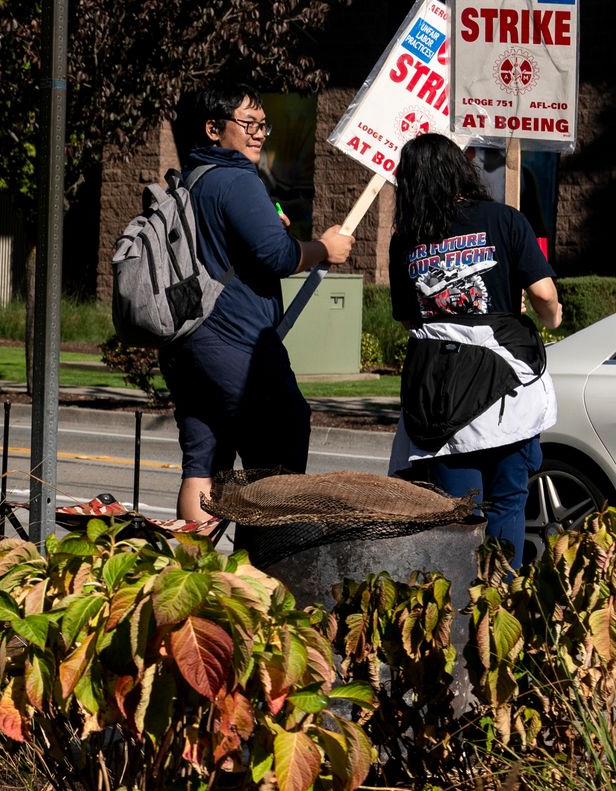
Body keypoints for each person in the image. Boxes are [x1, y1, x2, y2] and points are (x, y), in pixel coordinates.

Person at [163, 82, 354, 524]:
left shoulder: (192, 178)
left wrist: (271, 228)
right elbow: (280, 256)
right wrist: (324, 248)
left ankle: (194, 580)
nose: (258, 134)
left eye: (263, 126)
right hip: (239, 347)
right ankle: (264, 571)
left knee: (203, 467)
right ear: (214, 128)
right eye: (247, 124)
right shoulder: (237, 178)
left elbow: (235, 249)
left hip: (187, 344)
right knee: (279, 449)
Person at [387, 133, 563, 566]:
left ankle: (457, 613)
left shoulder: (404, 240)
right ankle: (500, 604)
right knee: (507, 502)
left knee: (458, 512)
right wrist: (551, 316)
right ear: (460, 169)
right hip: (503, 388)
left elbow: (410, 320)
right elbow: (544, 296)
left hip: (441, 398)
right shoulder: (504, 220)